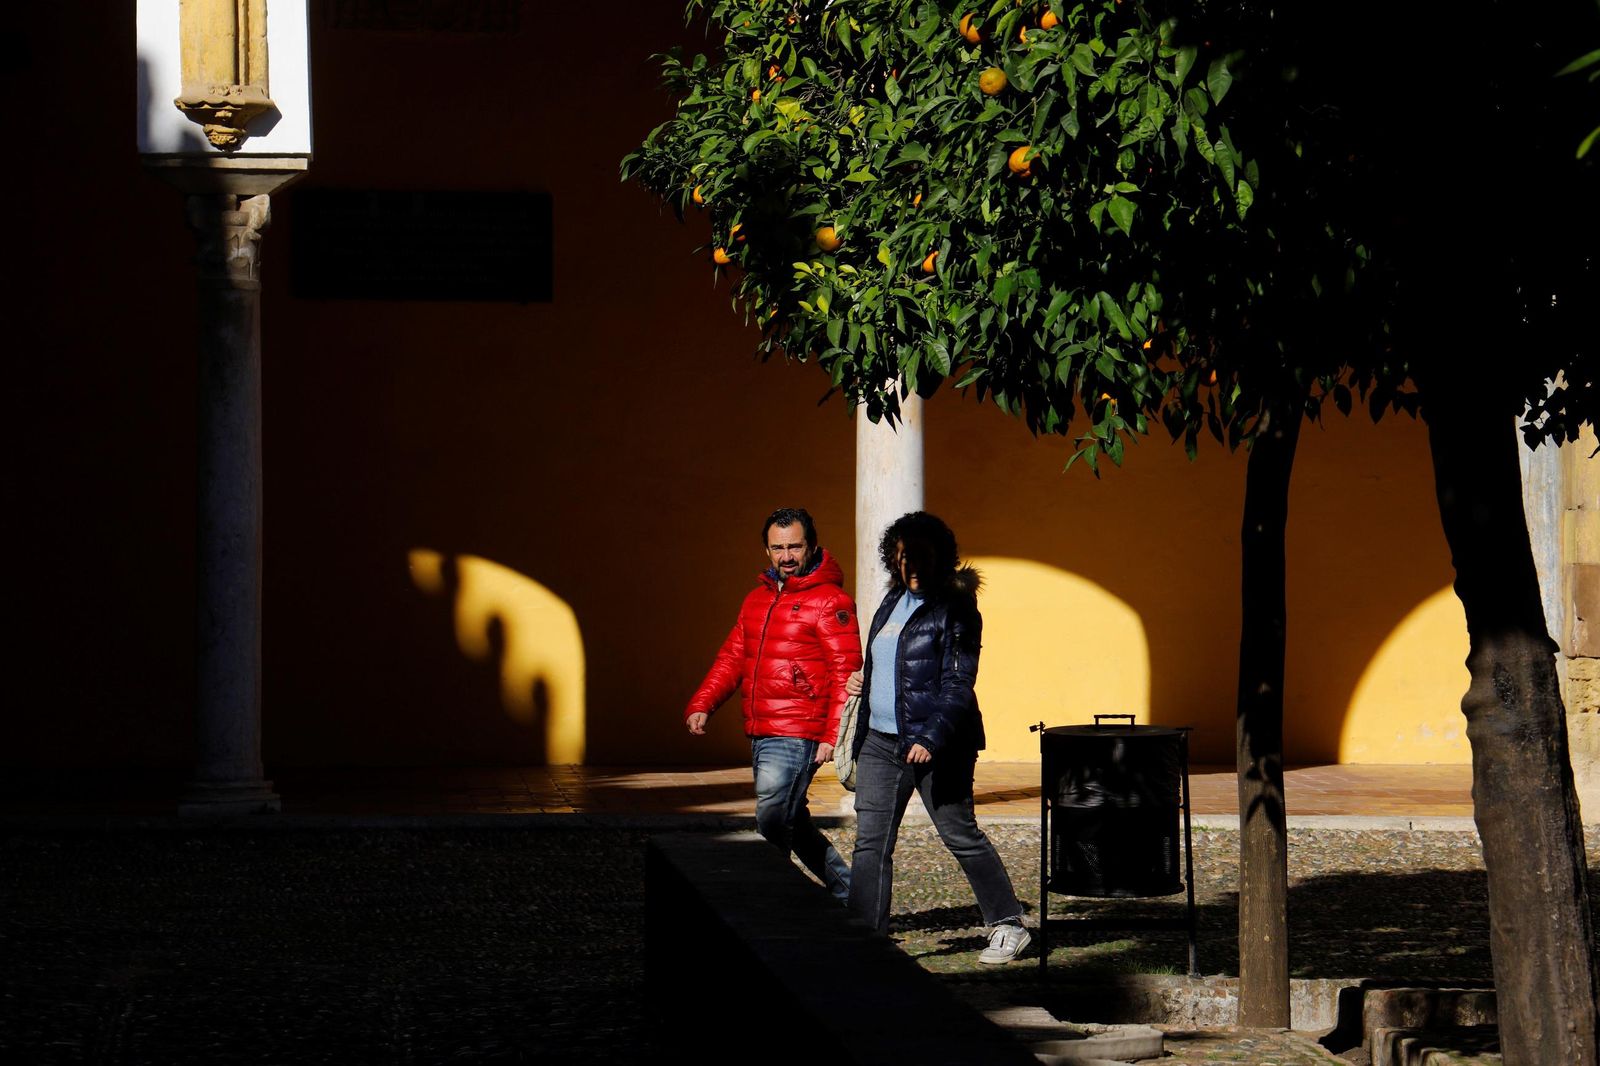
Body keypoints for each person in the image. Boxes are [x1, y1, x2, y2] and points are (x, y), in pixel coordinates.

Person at [844, 511, 1031, 963]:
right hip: (880, 742)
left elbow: (957, 683)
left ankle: (1008, 924)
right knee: (870, 841)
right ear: (893, 558)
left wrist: (930, 738)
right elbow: (893, 664)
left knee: (960, 834)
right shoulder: (890, 602)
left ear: (941, 558)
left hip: (938, 746)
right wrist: (862, 681)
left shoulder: (958, 609)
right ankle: (863, 938)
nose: (910, 565)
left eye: (920, 555)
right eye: (902, 555)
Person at [685, 507, 860, 901]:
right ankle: (852, 897)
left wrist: (834, 734)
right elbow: (732, 657)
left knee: (773, 818)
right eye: (777, 548)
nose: (786, 556)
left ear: (811, 546)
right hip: (761, 726)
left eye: (794, 547)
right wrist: (703, 703)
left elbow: (845, 672)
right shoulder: (756, 600)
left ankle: (774, 901)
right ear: (766, 550)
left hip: (799, 730)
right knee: (790, 819)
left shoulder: (831, 601)